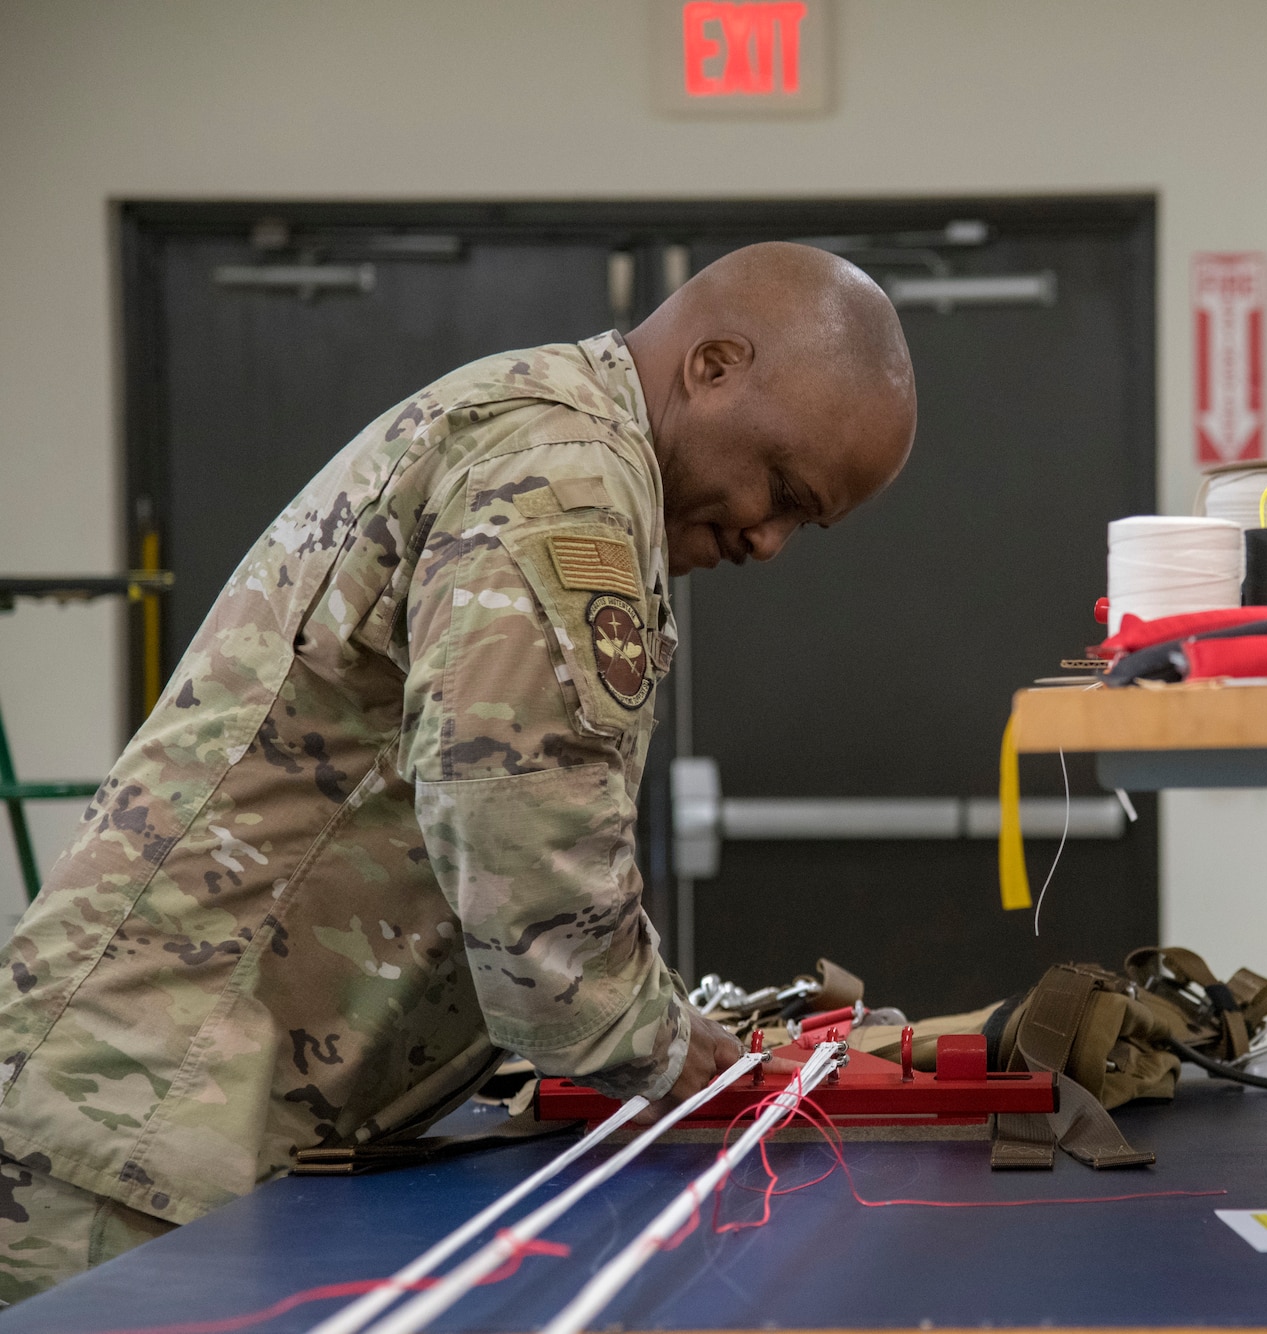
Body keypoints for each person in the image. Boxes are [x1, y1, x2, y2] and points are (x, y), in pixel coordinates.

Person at [0, 242, 917, 1302]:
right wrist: (664, 1048)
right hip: (137, 1128)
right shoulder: (563, 470)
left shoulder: (560, 436)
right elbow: (521, 812)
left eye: (804, 521)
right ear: (711, 364)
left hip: (170, 1117)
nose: (766, 540)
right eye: (780, 489)